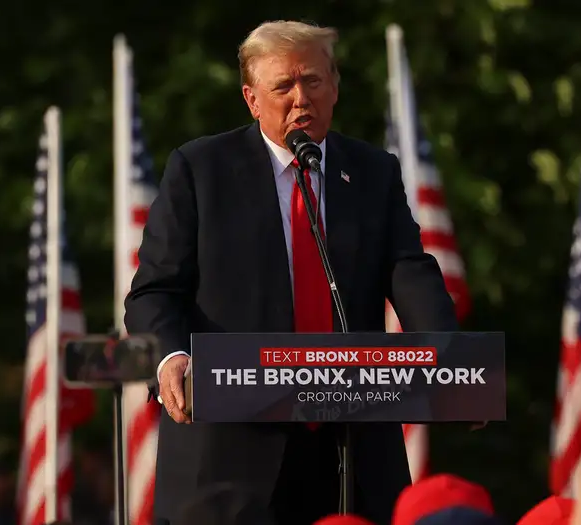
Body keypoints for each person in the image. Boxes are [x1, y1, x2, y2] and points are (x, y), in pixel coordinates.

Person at [124, 19, 459, 525]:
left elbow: (410, 272)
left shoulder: (372, 172)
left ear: (335, 87)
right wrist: (171, 357)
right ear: (252, 99)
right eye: (282, 86)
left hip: (350, 453)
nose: (300, 98)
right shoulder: (200, 170)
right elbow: (154, 292)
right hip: (231, 461)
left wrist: (452, 361)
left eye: (313, 81)